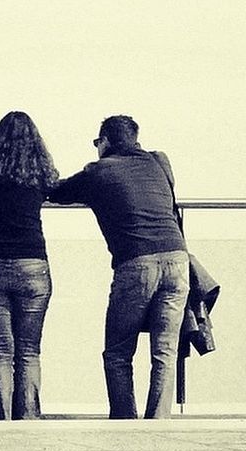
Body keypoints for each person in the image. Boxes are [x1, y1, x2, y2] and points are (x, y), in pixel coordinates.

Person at [49, 115, 188, 419]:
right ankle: (159, 424)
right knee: (165, 351)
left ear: (106, 141)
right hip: (179, 260)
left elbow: (56, 192)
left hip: (136, 264)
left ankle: (125, 421)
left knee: (117, 353)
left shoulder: (98, 171)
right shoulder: (158, 162)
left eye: (97, 142)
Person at [0, 111, 58, 419]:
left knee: (0, 351)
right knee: (29, 351)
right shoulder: (39, 165)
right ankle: (28, 420)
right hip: (32, 264)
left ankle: (0, 420)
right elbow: (54, 188)